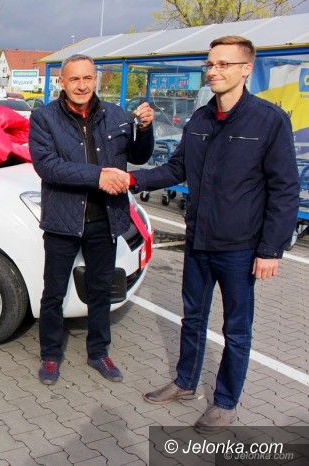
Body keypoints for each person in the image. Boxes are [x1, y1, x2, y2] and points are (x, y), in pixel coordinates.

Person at [124, 36, 299, 433]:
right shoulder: (201, 119)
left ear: (246, 69)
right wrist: (132, 180)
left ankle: (225, 402)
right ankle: (186, 382)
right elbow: (177, 168)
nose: (214, 71)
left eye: (223, 64)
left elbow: (284, 189)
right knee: (192, 317)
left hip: (240, 248)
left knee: (236, 330)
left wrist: (271, 249)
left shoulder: (269, 120)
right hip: (198, 242)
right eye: (210, 64)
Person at [29, 54, 155, 385]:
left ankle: (98, 352)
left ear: (95, 79)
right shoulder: (44, 118)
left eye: (87, 78)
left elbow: (139, 155)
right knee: (54, 292)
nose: (82, 85)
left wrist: (145, 129)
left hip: (105, 219)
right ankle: (50, 355)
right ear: (62, 82)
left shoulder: (116, 116)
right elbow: (47, 166)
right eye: (74, 79)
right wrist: (98, 176)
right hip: (63, 221)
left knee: (101, 289)